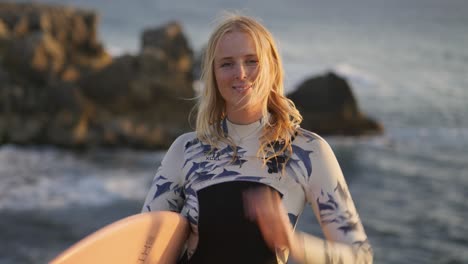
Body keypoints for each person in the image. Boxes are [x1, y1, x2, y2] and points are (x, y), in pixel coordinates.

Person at [142, 14, 373, 264]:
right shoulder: (186, 149)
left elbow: (359, 257)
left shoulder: (307, 152)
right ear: (213, 74)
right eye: (227, 64)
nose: (240, 73)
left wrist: (293, 244)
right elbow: (141, 247)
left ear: (272, 66)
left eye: (252, 61)